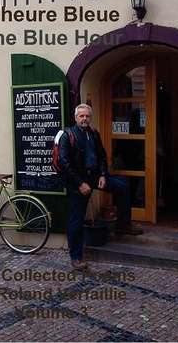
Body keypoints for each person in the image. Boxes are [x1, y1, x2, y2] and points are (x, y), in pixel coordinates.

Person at [59, 103, 143, 270]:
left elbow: (102, 156)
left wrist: (103, 174)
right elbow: (64, 163)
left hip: (95, 176)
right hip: (78, 182)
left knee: (122, 185)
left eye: (87, 116)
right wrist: (80, 183)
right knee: (76, 219)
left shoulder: (94, 133)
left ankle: (123, 224)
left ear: (91, 117)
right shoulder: (67, 135)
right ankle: (76, 257)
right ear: (76, 118)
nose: (85, 119)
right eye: (81, 116)